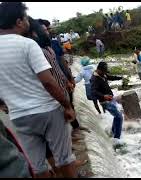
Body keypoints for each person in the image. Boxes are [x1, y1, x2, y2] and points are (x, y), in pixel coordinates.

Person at [0, 2, 77, 178]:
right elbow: (48, 82)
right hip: (47, 110)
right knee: (64, 158)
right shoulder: (27, 44)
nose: (28, 22)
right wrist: (66, 106)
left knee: (38, 166)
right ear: (19, 21)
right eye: (26, 18)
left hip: (19, 116)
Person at [38, 19, 88, 138]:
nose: (48, 32)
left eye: (48, 29)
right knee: (61, 108)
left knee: (69, 103)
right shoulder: (36, 48)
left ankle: (76, 127)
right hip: (52, 83)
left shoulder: (53, 44)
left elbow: (61, 60)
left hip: (62, 78)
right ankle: (69, 133)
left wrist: (69, 77)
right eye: (45, 29)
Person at [90, 62, 124, 146]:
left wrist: (120, 78)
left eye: (105, 71)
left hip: (110, 99)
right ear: (98, 70)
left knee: (117, 116)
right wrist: (104, 96)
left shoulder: (103, 74)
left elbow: (110, 77)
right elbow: (93, 91)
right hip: (105, 101)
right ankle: (117, 138)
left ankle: (113, 133)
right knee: (119, 117)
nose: (105, 73)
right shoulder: (94, 79)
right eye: (104, 71)